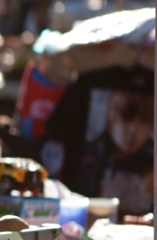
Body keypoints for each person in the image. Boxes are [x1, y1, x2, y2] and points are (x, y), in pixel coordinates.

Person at [39, 64, 154, 216]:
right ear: (111, 115)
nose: (132, 130)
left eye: (144, 121)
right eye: (125, 117)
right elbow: (56, 129)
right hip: (79, 220)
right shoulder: (92, 81)